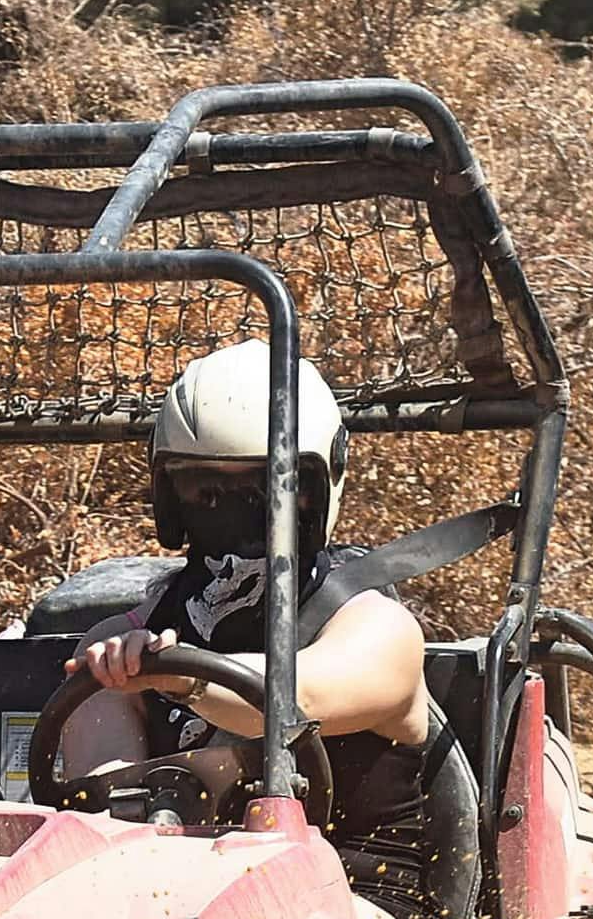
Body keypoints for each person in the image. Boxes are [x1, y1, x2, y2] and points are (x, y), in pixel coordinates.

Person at [60, 339, 434, 839]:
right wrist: (123, 669)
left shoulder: (379, 631)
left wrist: (176, 675)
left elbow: (294, 697)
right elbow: (108, 823)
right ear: (171, 497)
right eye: (204, 490)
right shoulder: (116, 646)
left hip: (364, 898)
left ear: (316, 489)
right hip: (183, 901)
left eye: (266, 489)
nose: (234, 512)